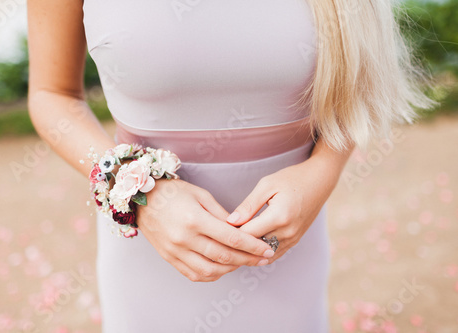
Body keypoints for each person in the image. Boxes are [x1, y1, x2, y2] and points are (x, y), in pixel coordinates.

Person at [27, 0, 434, 331]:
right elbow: (52, 94)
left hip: (288, 256)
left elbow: (356, 80)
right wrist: (138, 191)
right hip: (149, 258)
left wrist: (322, 172)